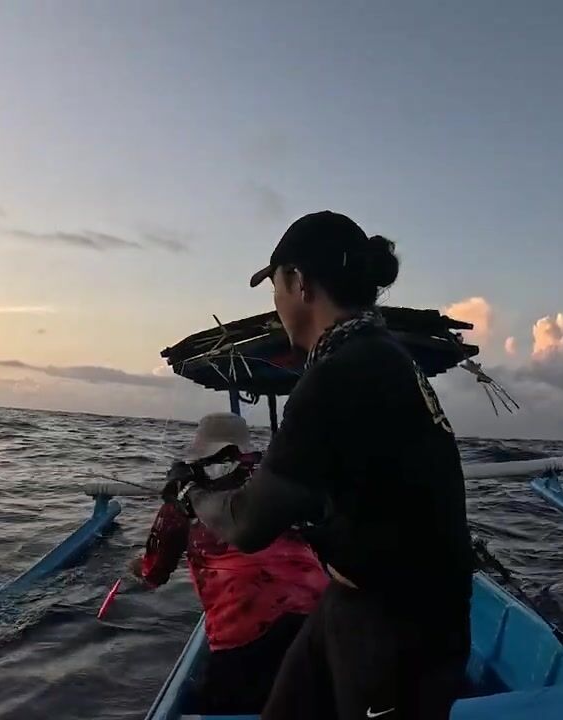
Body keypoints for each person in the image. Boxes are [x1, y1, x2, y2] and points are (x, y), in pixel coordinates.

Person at [179, 211, 473, 719]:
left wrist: (192, 495)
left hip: (401, 622)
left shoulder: (341, 373)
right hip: (354, 593)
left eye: (275, 286)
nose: (275, 304)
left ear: (299, 282)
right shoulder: (381, 355)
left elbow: (247, 524)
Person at [129, 412, 328, 715]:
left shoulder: (183, 499)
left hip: (243, 640)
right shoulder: (279, 483)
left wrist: (135, 568)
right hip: (319, 626)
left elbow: (154, 573)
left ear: (199, 447)